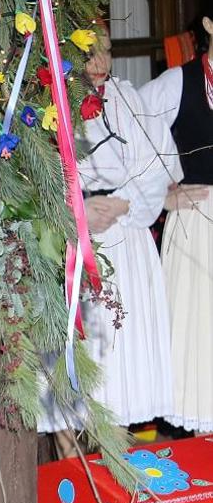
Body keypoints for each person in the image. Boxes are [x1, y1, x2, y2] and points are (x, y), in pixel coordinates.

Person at [42, 26, 176, 436]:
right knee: (85, 353)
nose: (100, 61)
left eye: (107, 50)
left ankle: (127, 455)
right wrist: (78, 209)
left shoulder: (127, 98)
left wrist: (125, 203)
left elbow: (157, 169)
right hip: (76, 237)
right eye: (89, 52)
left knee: (125, 353)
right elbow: (37, 175)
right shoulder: (51, 103)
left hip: (126, 232)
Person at [140, 0, 213, 433]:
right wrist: (162, 193)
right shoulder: (176, 84)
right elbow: (128, 141)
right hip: (196, 227)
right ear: (208, 24)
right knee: (198, 342)